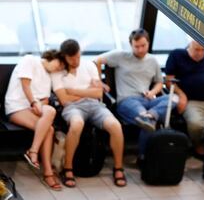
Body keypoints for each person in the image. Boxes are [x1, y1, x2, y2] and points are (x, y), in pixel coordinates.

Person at [51, 39, 126, 187]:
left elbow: (98, 93)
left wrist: (72, 91)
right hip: (72, 107)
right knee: (77, 124)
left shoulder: (89, 65)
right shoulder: (58, 72)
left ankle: (118, 168)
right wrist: (87, 92)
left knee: (115, 126)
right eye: (72, 58)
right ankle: (68, 168)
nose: (76, 61)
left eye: (78, 57)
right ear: (64, 57)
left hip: (95, 105)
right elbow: (64, 100)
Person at [95, 28, 174, 161]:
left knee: (173, 98)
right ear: (131, 45)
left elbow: (159, 83)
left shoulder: (153, 61)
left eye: (143, 46)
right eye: (136, 46)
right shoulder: (121, 56)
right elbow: (96, 60)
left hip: (148, 100)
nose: (140, 49)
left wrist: (152, 92)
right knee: (148, 122)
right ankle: (143, 157)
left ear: (148, 43)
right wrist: (99, 81)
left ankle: (150, 115)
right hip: (127, 100)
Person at [5, 50, 65, 191]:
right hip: (16, 107)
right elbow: (25, 84)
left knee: (49, 127)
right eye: (60, 63)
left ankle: (43, 165)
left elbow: (44, 100)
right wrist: (34, 102)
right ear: (53, 57)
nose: (60, 68)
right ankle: (36, 157)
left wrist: (38, 106)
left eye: (63, 67)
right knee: (49, 119)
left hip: (33, 110)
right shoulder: (30, 59)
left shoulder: (49, 76)